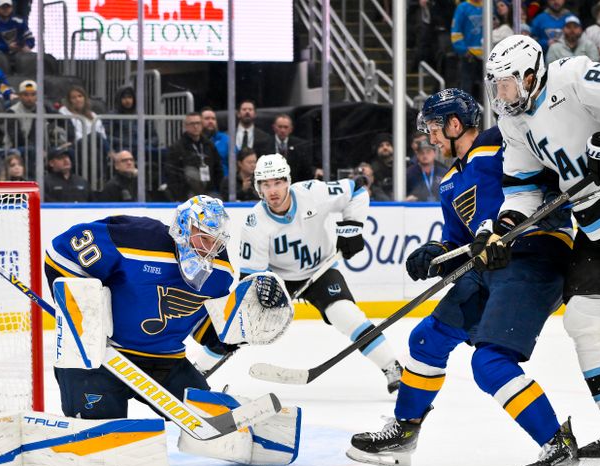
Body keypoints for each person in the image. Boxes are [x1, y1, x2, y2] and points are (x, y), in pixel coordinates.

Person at [348, 88, 580, 466]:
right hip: (487, 268)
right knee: (426, 340)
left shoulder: (501, 140)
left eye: (435, 128)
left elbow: (551, 176)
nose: (431, 138)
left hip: (534, 256)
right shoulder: (450, 182)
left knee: (489, 364)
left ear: (456, 124)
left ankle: (557, 445)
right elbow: (460, 244)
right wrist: (435, 253)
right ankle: (405, 431)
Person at [484, 34, 600, 466]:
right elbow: (523, 190)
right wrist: (505, 227)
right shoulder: (515, 124)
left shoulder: (572, 74)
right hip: (597, 222)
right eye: (496, 86)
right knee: (582, 319)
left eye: (507, 84)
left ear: (531, 74)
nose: (501, 95)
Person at [43, 196, 235, 420]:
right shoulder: (135, 239)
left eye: (215, 241)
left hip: (165, 362)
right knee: (104, 440)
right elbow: (61, 253)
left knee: (216, 422)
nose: (209, 249)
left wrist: (229, 335)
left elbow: (202, 322)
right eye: (204, 237)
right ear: (184, 227)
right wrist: (79, 315)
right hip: (100, 360)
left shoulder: (220, 270)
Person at [226, 153, 403, 393]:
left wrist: (352, 228)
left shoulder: (312, 193)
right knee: (238, 323)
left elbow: (358, 190)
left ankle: (391, 367)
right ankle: (201, 369)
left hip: (321, 270)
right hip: (280, 279)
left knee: (346, 314)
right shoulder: (255, 223)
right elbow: (251, 277)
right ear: (258, 188)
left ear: (288, 181)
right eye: (266, 185)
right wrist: (260, 296)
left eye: (277, 182)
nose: (273, 191)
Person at [164, 111, 223, 201]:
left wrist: (218, 188)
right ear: (186, 126)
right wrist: (180, 194)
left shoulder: (209, 145)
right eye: (192, 123)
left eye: (198, 123)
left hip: (209, 191)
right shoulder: (177, 147)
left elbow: (218, 168)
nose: (195, 126)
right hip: (187, 193)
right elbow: (172, 174)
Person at [258, 114, 315, 183]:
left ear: (291, 129)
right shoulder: (263, 145)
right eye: (280, 127)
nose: (282, 130)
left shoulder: (300, 145)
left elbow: (306, 171)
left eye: (286, 127)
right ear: (274, 127)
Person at [450, 0, 483, 98]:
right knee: (467, 88)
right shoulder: (462, 7)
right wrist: (464, 50)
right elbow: (456, 32)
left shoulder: (488, 7)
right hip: (469, 56)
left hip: (487, 56)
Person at [201, 106, 230, 177]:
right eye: (207, 119)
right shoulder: (195, 140)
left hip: (223, 182)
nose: (211, 121)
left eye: (213, 119)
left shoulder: (226, 139)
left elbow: (237, 161)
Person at [370, 132, 394, 197]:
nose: (385, 148)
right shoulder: (372, 169)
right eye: (381, 146)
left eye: (388, 145)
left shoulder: (402, 166)